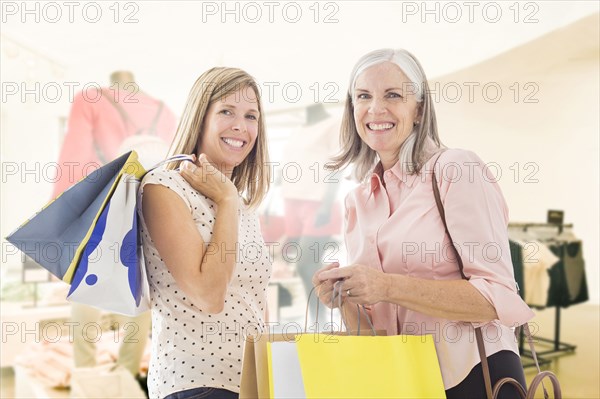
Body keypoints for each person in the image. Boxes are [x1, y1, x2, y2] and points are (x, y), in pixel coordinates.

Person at [312, 49, 535, 398]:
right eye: (363, 97)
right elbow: (372, 332)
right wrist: (344, 298)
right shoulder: (357, 201)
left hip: (472, 377)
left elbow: (498, 297)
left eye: (393, 95)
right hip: (404, 382)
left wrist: (386, 286)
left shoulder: (455, 169)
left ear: (418, 109)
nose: (376, 109)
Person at [139, 67, 271, 399]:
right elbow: (210, 295)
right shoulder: (164, 188)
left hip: (250, 383)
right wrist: (225, 198)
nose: (241, 126)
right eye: (227, 111)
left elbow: (253, 302)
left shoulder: (242, 205)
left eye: (251, 116)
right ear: (201, 117)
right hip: (196, 385)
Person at [53, 70, 176, 392]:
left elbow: (74, 157)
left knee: (84, 288)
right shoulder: (165, 112)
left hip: (103, 206)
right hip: (151, 208)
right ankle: (126, 375)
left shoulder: (91, 100)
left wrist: (61, 216)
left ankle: (87, 375)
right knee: (141, 290)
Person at [280, 103, 343, 327]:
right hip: (291, 202)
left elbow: (338, 166)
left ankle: (324, 322)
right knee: (301, 266)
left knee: (308, 263)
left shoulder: (334, 123)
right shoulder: (298, 130)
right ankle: (319, 321)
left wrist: (326, 206)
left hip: (318, 203)